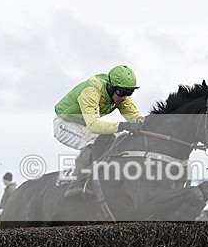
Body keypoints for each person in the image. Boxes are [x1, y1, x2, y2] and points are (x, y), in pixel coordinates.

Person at [53, 65, 146, 198]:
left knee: (116, 139)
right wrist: (124, 125)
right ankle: (76, 183)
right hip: (64, 123)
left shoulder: (120, 95)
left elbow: (133, 115)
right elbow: (94, 125)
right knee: (92, 141)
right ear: (111, 87)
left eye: (129, 93)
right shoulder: (90, 91)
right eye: (122, 92)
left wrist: (143, 122)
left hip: (83, 124)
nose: (124, 97)